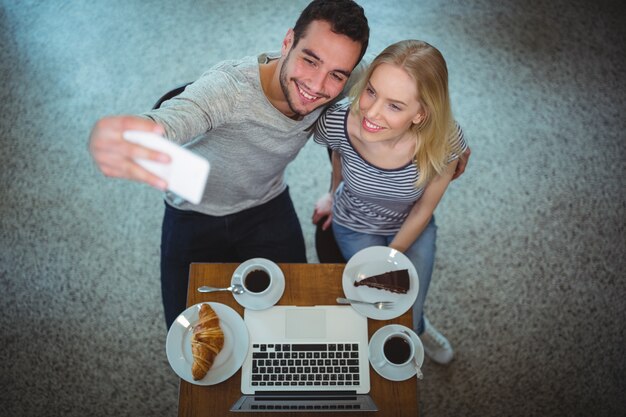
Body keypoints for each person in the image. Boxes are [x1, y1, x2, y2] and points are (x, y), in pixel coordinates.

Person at [89, 0, 370, 329]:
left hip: (266, 203)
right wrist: (132, 136)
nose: (317, 86)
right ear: (288, 41)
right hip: (192, 212)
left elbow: (403, 91)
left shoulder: (348, 81)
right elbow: (177, 116)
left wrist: (443, 149)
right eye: (310, 60)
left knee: (297, 317)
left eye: (336, 75)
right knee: (188, 333)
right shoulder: (228, 89)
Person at [310, 40, 468, 365]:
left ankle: (419, 327)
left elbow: (425, 209)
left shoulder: (446, 141)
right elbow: (338, 157)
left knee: (412, 304)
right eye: (371, 91)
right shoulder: (337, 123)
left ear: (421, 114)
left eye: (394, 106)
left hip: (413, 224)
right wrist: (331, 192)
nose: (370, 111)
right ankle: (405, 328)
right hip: (354, 224)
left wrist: (391, 258)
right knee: (383, 304)